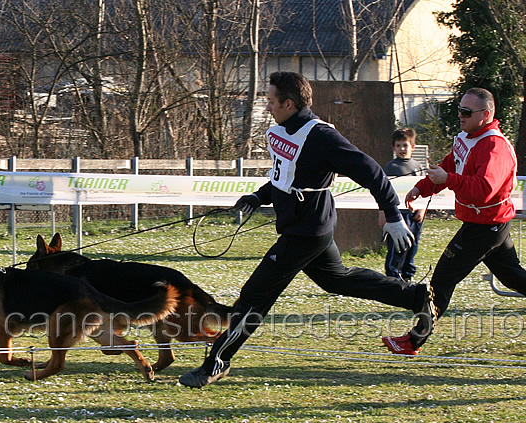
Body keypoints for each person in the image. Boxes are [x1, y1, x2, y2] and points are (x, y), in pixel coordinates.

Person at [179, 71, 435, 388]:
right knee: (337, 280)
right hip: (308, 228)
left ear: (288, 103)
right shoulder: (285, 131)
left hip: (306, 232)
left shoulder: (321, 137)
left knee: (253, 297)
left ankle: (216, 363)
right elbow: (284, 179)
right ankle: (416, 296)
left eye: (271, 101)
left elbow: (370, 170)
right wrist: (259, 196)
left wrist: (393, 215)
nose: (267, 106)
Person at [382, 87, 526, 355]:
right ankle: (413, 341)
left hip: (485, 227)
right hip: (487, 224)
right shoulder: (467, 136)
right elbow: (450, 164)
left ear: (485, 115)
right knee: (514, 278)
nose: (459, 115)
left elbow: (485, 189)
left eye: (466, 112)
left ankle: (413, 341)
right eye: (459, 109)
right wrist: (423, 187)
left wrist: (447, 181)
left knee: (440, 282)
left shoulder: (494, 147)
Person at [378, 128, 426, 281]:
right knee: (397, 246)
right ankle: (393, 276)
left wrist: (422, 209)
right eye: (398, 146)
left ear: (413, 147)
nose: (402, 149)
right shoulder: (390, 167)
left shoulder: (419, 167)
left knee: (413, 245)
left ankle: (408, 274)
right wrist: (383, 214)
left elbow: (425, 190)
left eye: (405, 145)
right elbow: (383, 193)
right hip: (397, 214)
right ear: (393, 147)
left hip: (414, 214)